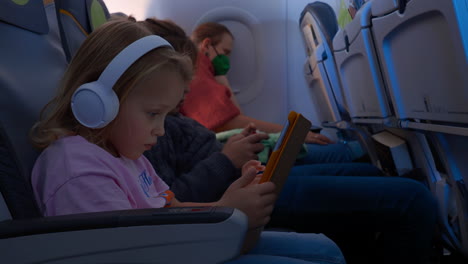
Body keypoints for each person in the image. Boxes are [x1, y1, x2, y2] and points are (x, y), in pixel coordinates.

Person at [29, 18, 345, 264]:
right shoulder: (78, 172)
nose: (161, 130)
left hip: (176, 246)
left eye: (166, 115)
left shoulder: (126, 153)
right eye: (153, 113)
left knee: (323, 247)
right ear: (98, 103)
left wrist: (228, 208)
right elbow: (126, 253)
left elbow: (172, 208)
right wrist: (226, 214)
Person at [140, 17, 438, 264]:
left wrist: (233, 153)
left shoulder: (167, 116)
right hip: (238, 186)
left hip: (245, 175)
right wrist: (227, 159)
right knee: (412, 198)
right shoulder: (149, 129)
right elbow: (172, 199)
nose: (184, 95)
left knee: (370, 173)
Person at [182, 22, 365, 164]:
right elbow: (228, 123)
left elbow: (234, 117)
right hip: (221, 148)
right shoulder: (197, 70)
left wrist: (221, 76)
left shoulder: (208, 74)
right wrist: (293, 134)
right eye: (225, 52)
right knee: (338, 153)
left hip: (226, 143)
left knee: (331, 153)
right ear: (206, 45)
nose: (227, 59)